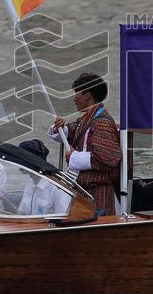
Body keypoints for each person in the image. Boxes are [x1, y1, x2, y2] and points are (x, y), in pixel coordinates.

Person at [48, 73, 122, 216]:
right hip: (84, 192)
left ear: (88, 95)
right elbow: (70, 131)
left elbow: (108, 158)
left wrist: (73, 157)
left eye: (77, 93)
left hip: (98, 196)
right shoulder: (86, 119)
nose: (75, 98)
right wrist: (60, 126)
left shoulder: (102, 122)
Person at [16, 139, 72, 215]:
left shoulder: (58, 189)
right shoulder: (31, 181)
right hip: (28, 224)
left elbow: (63, 219)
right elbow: (22, 212)